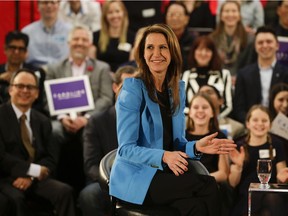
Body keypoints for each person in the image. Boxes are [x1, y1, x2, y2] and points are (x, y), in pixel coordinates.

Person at [109, 23, 236, 216]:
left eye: (163, 47)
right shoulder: (132, 89)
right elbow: (126, 148)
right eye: (150, 47)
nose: (156, 53)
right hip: (136, 178)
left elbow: (175, 144)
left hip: (164, 175)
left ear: (172, 53)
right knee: (208, 185)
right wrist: (164, 156)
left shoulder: (176, 89)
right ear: (143, 54)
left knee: (196, 208)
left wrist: (196, 147)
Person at [45, 24, 114, 195]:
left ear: (90, 44)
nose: (80, 43)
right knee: (53, 131)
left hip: (89, 120)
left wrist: (87, 118)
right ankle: (50, 183)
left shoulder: (102, 68)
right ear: (68, 42)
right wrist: (62, 117)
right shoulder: (54, 68)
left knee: (91, 134)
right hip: (62, 120)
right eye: (76, 39)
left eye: (84, 40)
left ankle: (89, 187)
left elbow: (106, 98)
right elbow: (47, 99)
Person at [0, 69, 76, 216]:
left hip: (35, 179)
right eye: (20, 86)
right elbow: (1, 157)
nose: (25, 91)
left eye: (30, 87)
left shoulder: (43, 121)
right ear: (10, 89)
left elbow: (51, 157)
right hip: (6, 178)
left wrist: (31, 176)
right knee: (16, 199)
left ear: (37, 93)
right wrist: (31, 170)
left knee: (64, 192)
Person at [78, 65, 137, 216]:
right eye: (126, 86)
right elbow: (91, 165)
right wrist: (114, 182)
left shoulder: (145, 121)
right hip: (105, 182)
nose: (130, 91)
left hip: (137, 181)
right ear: (115, 88)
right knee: (89, 195)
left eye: (136, 86)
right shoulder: (97, 121)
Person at [228, 105, 288, 216]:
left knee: (270, 203)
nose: (260, 124)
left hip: (270, 193)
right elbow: (232, 183)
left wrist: (283, 177)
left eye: (264, 120)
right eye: (255, 120)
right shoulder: (239, 145)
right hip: (246, 195)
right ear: (248, 124)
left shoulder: (277, 144)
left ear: (270, 124)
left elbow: (281, 177)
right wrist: (238, 166)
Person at [233, 26, 288, 124]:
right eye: (260, 42)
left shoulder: (286, 73)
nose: (265, 45)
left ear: (277, 45)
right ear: (255, 46)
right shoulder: (243, 74)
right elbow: (238, 109)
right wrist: (252, 123)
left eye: (269, 41)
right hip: (251, 127)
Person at [182, 35, 232, 118]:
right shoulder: (186, 75)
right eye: (200, 49)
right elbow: (181, 106)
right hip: (192, 122)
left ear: (213, 53)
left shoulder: (224, 74)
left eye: (207, 50)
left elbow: (228, 106)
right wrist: (196, 116)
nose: (203, 53)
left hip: (218, 122)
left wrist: (213, 119)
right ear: (194, 52)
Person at [0, 31, 47, 115]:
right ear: (5, 49)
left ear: (26, 52)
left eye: (21, 49)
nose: (16, 52)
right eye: (12, 48)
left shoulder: (37, 72)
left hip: (30, 117)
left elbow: (40, 104)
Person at [210, 0, 255, 77]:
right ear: (221, 16)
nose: (230, 14)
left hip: (242, 79)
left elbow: (250, 64)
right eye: (227, 11)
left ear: (239, 16)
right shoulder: (212, 39)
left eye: (234, 11)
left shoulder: (250, 39)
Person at [22, 0, 71, 66]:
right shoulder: (27, 32)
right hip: (34, 72)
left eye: (53, 2)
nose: (49, 6)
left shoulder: (71, 31)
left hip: (63, 72)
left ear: (59, 5)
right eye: (45, 2)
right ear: (38, 6)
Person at [93, 0, 135, 73]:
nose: (114, 15)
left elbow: (132, 66)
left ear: (123, 13)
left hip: (124, 79)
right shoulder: (95, 36)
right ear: (105, 15)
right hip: (102, 78)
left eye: (117, 11)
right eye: (110, 12)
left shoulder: (132, 37)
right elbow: (92, 64)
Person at [164, 1, 195, 71]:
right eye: (171, 15)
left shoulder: (194, 40)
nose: (174, 18)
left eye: (178, 15)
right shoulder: (160, 39)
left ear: (187, 19)